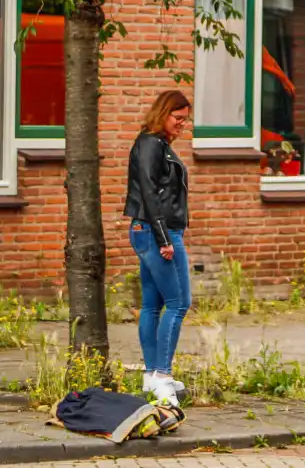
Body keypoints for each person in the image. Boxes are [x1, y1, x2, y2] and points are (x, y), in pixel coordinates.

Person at [123, 91, 193, 406]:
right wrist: (165, 238)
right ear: (163, 113)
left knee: (152, 305)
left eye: (185, 120)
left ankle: (152, 375)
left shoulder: (155, 144)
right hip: (155, 232)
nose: (181, 125)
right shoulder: (151, 144)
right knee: (178, 303)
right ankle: (162, 375)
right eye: (177, 118)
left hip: (147, 230)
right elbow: (150, 194)